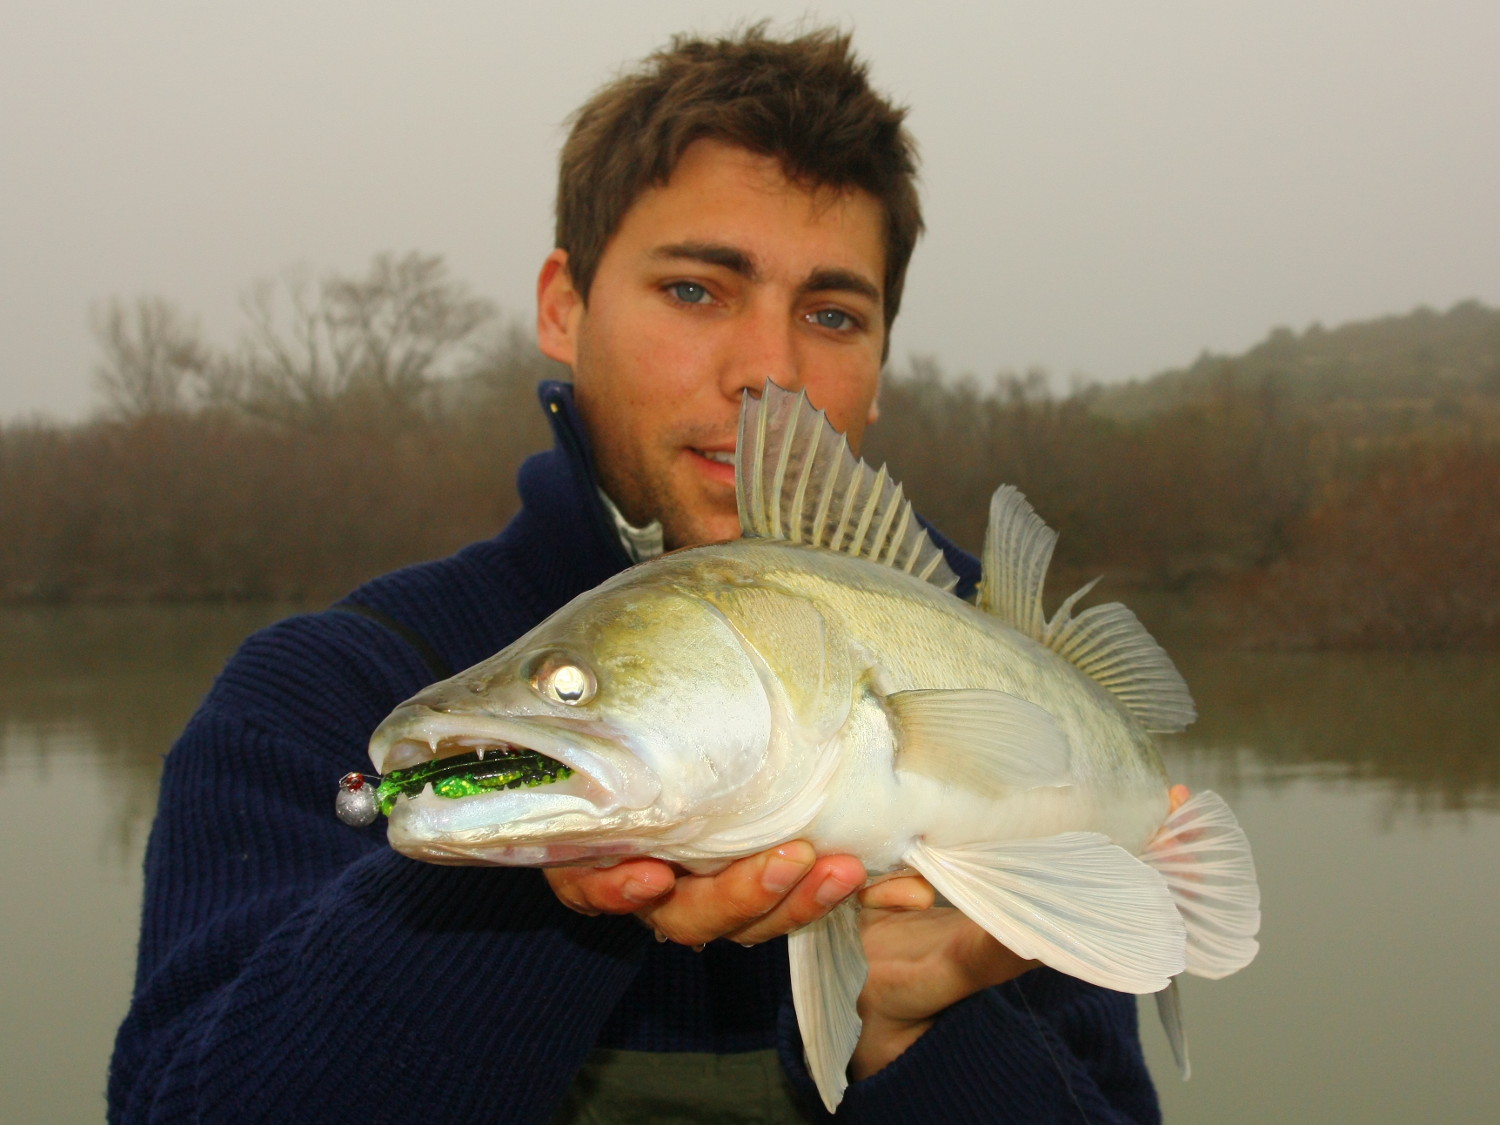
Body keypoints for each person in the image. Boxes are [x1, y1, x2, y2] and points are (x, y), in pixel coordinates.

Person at [109, 26, 1161, 1124]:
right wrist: (524, 890)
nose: (769, 369)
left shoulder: (1018, 691)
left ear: (882, 365)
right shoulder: (313, 697)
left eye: (833, 314)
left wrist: (922, 1034)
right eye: (698, 290)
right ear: (564, 305)